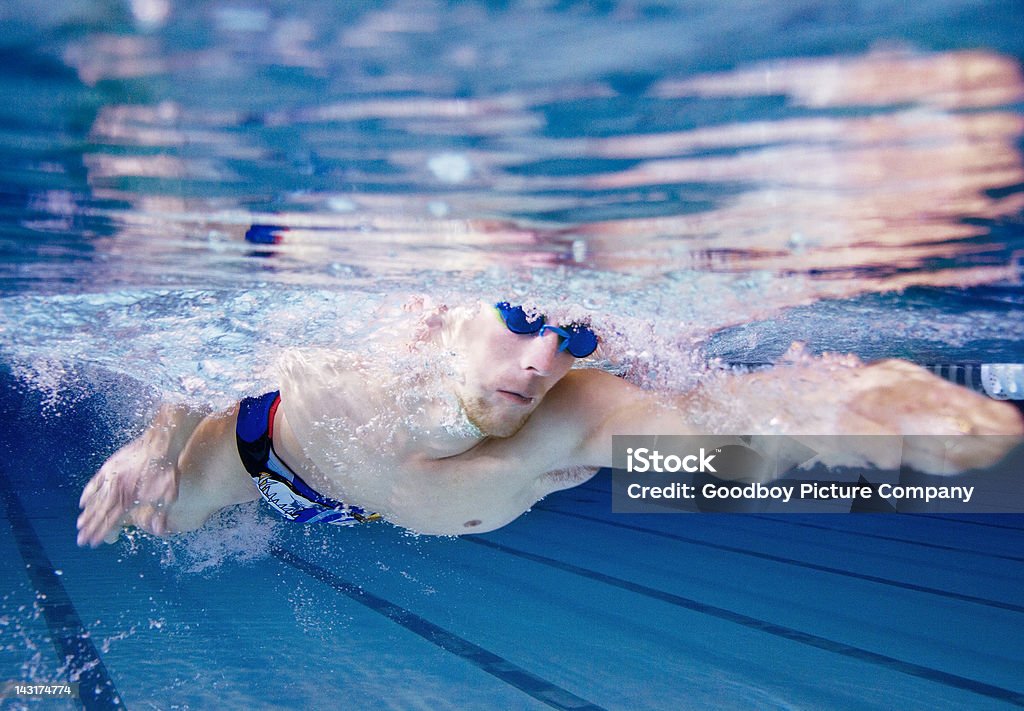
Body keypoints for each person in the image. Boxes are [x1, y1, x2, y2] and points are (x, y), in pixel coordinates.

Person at [76, 299, 1024, 546]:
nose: (544, 361)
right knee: (159, 522)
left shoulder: (572, 413)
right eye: (523, 322)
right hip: (269, 453)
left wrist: (841, 407)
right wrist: (152, 441)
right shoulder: (363, 345)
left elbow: (700, 435)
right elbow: (213, 348)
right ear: (451, 315)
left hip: (362, 504)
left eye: (572, 333)